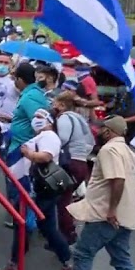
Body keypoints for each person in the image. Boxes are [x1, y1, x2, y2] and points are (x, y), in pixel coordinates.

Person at [46, 115, 135, 270]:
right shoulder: (129, 152)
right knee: (122, 260)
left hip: (104, 215)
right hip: (125, 215)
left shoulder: (109, 150)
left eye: (101, 129)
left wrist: (111, 210)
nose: (98, 132)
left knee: (82, 254)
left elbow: (118, 180)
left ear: (108, 131)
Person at [0, 109, 72, 270]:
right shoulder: (44, 136)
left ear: (49, 121)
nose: (36, 120)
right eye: (34, 117)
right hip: (41, 189)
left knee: (22, 224)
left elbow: (45, 156)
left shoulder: (49, 136)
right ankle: (67, 263)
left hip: (37, 190)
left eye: (40, 117)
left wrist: (28, 154)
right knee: (48, 229)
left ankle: (14, 264)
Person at [52, 91, 93, 246]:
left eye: (55, 103)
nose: (53, 106)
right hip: (81, 163)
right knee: (66, 198)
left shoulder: (64, 118)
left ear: (62, 105)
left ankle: (66, 235)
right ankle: (66, 232)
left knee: (62, 201)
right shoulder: (79, 119)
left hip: (71, 163)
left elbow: (62, 139)